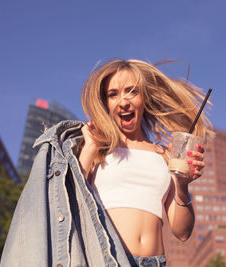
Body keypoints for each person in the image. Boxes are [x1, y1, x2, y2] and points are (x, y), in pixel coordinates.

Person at [78, 58, 213, 266]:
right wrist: (89, 147)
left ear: (144, 98)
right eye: (113, 94)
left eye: (131, 91)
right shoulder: (97, 149)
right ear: (106, 104)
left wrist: (182, 186)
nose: (123, 101)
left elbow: (182, 232)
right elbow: (71, 197)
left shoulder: (164, 156)